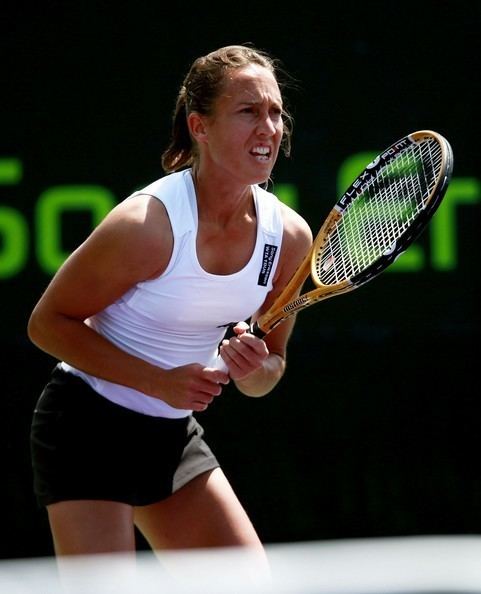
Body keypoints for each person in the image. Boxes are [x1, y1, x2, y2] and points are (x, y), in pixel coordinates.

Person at [28, 44, 313, 557]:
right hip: (86, 428)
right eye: (248, 111)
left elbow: (270, 370)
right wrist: (157, 381)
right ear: (199, 126)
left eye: (276, 112)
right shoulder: (147, 226)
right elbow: (47, 324)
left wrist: (254, 370)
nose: (269, 128)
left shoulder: (288, 237)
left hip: (169, 436)